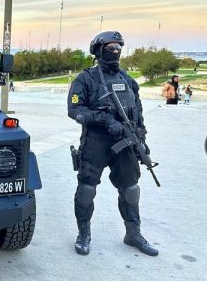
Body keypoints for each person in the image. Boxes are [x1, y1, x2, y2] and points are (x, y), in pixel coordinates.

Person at [67, 31, 158, 257]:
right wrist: (105, 120)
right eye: (111, 47)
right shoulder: (85, 79)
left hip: (125, 142)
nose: (115, 51)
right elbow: (75, 110)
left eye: (118, 47)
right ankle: (84, 234)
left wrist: (141, 138)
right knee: (87, 190)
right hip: (96, 142)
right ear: (99, 51)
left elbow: (137, 112)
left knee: (131, 190)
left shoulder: (127, 80)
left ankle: (133, 234)